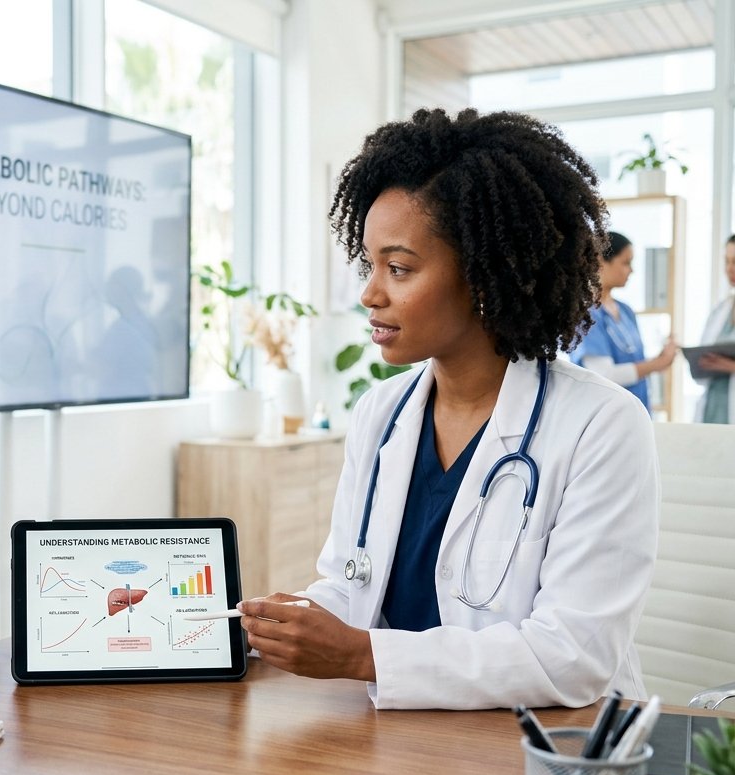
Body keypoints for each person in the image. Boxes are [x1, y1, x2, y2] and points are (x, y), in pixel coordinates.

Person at [238, 109, 657, 710]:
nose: (370, 293)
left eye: (399, 268)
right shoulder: (380, 413)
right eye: (370, 264)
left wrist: (361, 655)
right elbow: (349, 584)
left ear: (483, 279)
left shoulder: (603, 425)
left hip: (537, 752)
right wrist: (283, 625)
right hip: (396, 744)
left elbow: (573, 656)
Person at [569, 231, 678, 413]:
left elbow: (634, 361)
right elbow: (604, 375)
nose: (631, 270)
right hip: (605, 415)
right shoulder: (585, 314)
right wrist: (655, 365)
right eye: (626, 263)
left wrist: (659, 359)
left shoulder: (626, 311)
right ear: (600, 262)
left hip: (637, 411)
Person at [695, 235, 735, 423]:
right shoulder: (721, 309)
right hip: (713, 411)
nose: (729, 269)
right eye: (726, 261)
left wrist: (730, 367)